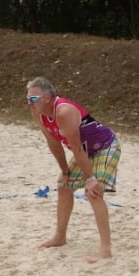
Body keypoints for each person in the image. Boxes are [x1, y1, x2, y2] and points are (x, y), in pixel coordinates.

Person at [26, 76, 121, 263]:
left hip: (105, 146)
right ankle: (60, 237)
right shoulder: (39, 114)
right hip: (85, 151)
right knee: (64, 186)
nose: (29, 102)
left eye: (33, 98)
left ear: (47, 98)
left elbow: (76, 148)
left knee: (93, 192)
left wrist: (90, 179)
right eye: (28, 98)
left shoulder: (63, 112)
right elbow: (53, 142)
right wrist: (64, 171)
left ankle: (105, 249)